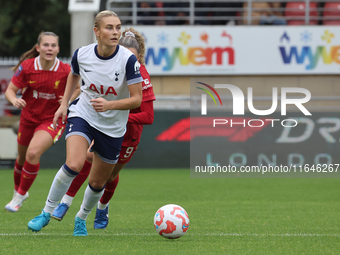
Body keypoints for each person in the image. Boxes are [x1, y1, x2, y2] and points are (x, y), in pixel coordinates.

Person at [27, 10, 143, 236]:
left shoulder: (128, 60)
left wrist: (110, 105)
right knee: (74, 164)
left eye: (118, 27)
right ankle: (45, 213)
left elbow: (137, 99)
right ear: (96, 31)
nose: (115, 32)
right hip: (84, 114)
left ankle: (81, 218)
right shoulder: (82, 54)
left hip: (112, 127)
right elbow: (74, 75)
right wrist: (63, 105)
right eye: (109, 27)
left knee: (98, 182)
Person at [51, 27, 155, 230]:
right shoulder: (106, 65)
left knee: (110, 176)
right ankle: (66, 202)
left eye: (131, 56)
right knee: (85, 159)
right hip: (100, 126)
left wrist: (117, 114)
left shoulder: (141, 76)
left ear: (139, 58)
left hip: (127, 135)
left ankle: (102, 207)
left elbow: (148, 116)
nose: (124, 59)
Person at [4, 31, 80, 212]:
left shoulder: (65, 70)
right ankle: (18, 192)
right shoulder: (28, 66)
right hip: (28, 119)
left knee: (33, 153)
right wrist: (15, 100)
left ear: (58, 49)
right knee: (21, 159)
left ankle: (20, 196)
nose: (49, 48)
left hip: (52, 119)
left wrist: (67, 100)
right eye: (46, 45)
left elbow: (78, 89)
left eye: (53, 45)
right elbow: (10, 91)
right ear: (38, 48)